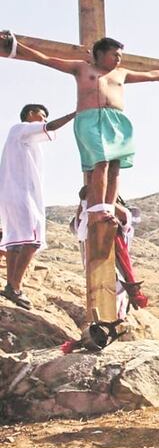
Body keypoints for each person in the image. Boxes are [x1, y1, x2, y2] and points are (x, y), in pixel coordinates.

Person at [0, 31, 159, 226]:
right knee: (101, 161)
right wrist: (17, 45)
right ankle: (98, 210)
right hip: (90, 119)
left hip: (117, 121)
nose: (118, 59)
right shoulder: (81, 68)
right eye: (114, 54)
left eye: (120, 56)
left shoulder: (121, 73)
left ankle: (109, 207)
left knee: (115, 166)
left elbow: (150, 75)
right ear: (99, 53)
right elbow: (46, 59)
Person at [0, 104, 76, 309]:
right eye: (41, 116)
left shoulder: (26, 140)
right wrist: (75, 113)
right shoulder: (20, 128)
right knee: (32, 240)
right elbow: (50, 126)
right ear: (30, 114)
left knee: (15, 242)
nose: (43, 121)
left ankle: (10, 285)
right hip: (21, 195)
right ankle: (15, 288)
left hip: (13, 194)